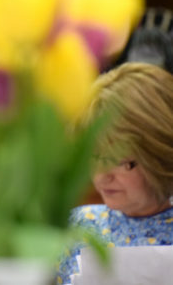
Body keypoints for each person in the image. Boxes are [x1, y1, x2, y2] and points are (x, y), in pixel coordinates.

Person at [56, 63, 173, 284]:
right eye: (96, 157)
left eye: (121, 162)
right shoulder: (80, 226)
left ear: (161, 154)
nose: (102, 176)